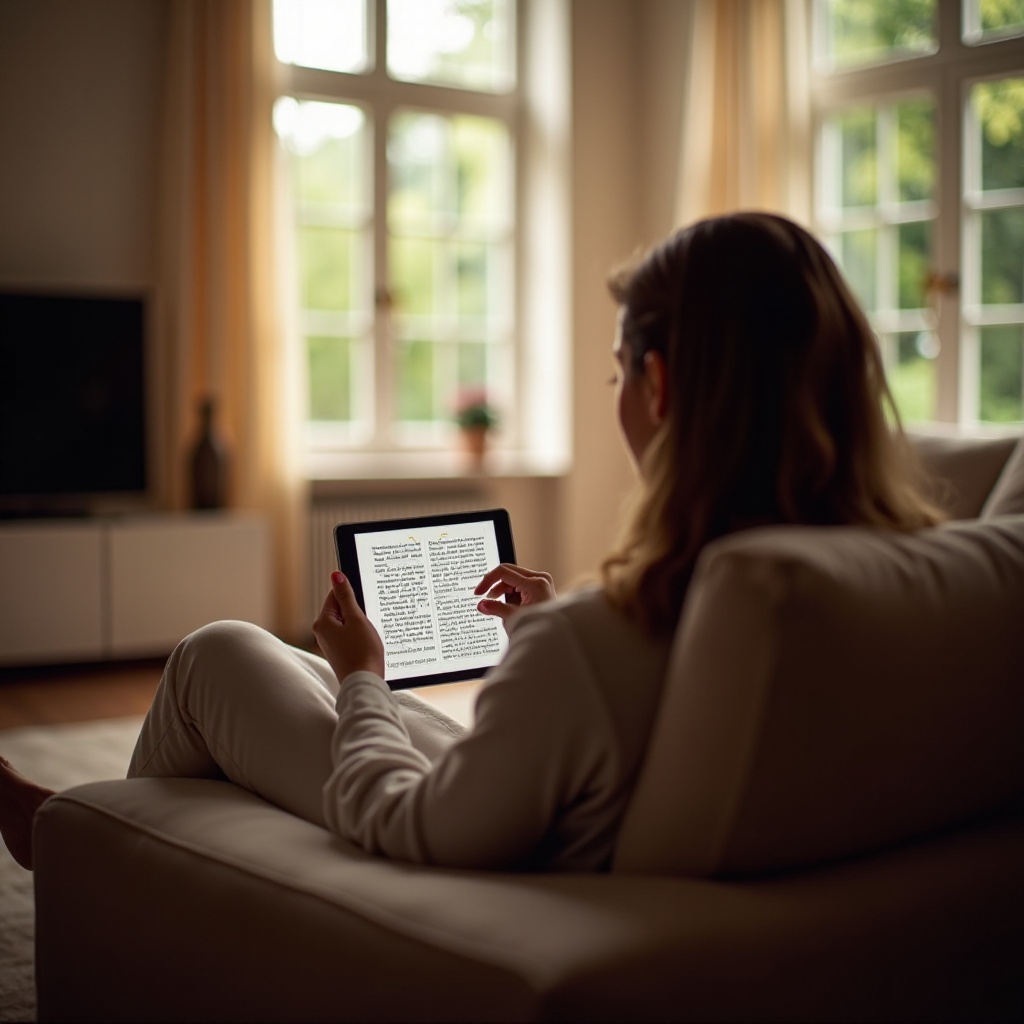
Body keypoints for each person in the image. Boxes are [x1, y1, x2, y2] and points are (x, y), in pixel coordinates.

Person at [0, 212, 943, 874]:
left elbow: (400, 822)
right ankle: (101, 840)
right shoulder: (906, 587)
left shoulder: (598, 648)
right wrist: (559, 624)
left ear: (658, 387)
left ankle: (83, 853)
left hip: (482, 870)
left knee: (220, 653)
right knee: (308, 678)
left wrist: (370, 672)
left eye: (618, 372)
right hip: (550, 823)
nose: (615, 396)